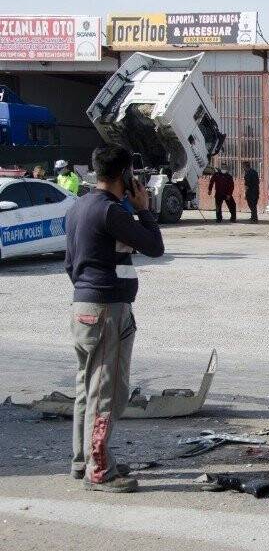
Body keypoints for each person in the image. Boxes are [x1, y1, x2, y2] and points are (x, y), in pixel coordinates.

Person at [64, 146, 164, 493]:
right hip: (107, 311)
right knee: (107, 391)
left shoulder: (79, 207)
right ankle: (99, 469)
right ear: (124, 175)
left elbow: (69, 263)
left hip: (84, 308)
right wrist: (144, 211)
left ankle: (83, 460)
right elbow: (154, 246)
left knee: (86, 387)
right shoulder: (110, 212)